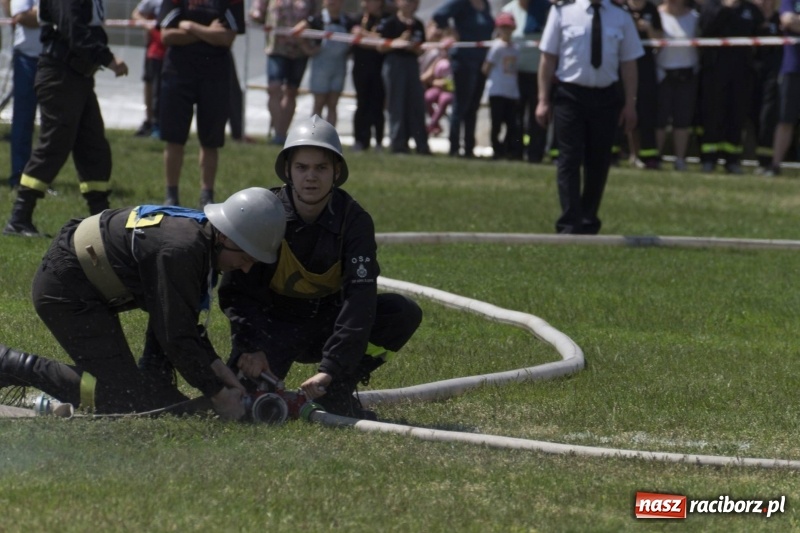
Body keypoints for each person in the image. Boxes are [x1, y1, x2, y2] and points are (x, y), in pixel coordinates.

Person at [0, 188, 287, 419]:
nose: (247, 268)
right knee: (123, 398)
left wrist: (226, 379)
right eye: (246, 257)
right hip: (66, 289)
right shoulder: (182, 251)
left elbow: (183, 324)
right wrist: (219, 395)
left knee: (151, 398)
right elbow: (174, 335)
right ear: (226, 235)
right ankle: (9, 363)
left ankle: (152, 387)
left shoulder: (203, 239)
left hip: (85, 282)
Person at [218, 116, 423, 420]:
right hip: (272, 329)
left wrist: (333, 369)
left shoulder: (354, 221)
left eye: (321, 168)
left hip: (330, 325)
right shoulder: (264, 212)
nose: (310, 177)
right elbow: (237, 292)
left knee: (402, 313)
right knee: (245, 408)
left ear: (336, 171)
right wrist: (250, 346)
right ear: (287, 169)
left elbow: (359, 301)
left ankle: (339, 389)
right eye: (302, 167)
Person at [2, 0, 129, 238]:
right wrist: (108, 59)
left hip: (78, 77)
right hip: (60, 75)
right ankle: (19, 218)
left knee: (94, 147)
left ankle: (101, 220)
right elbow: (74, 30)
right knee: (54, 145)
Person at [536, 0, 643, 234]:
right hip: (570, 95)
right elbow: (548, 58)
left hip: (606, 97)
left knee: (599, 160)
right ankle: (569, 222)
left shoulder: (621, 16)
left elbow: (629, 63)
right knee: (569, 158)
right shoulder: (562, 12)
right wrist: (543, 100)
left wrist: (630, 103)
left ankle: (588, 219)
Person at [157, 0, 245, 209]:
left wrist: (191, 27)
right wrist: (209, 32)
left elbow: (226, 38)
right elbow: (167, 35)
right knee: (174, 138)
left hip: (215, 76)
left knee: (211, 140)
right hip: (178, 73)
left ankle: (207, 196)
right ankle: (171, 195)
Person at [697, 0, 763, 174]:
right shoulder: (711, 7)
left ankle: (731, 159)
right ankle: (709, 159)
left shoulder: (751, 10)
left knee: (737, 116)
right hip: (715, 70)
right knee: (713, 115)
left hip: (742, 72)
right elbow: (706, 30)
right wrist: (726, 9)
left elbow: (759, 35)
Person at [432, 0, 495, 158]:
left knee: (473, 106)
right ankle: (454, 147)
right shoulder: (461, 3)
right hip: (463, 60)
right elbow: (439, 15)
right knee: (460, 105)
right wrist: (450, 32)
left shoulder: (485, 5)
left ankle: (469, 148)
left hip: (481, 61)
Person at [250, 0, 316, 145]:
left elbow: (316, 17)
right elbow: (257, 13)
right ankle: (278, 133)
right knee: (274, 88)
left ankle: (281, 134)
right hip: (276, 48)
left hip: (300, 49)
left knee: (291, 91)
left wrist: (308, 25)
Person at [376, 0, 431, 154]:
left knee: (416, 104)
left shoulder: (418, 24)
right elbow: (380, 46)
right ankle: (398, 144)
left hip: (412, 64)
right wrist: (397, 41)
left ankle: (422, 144)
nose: (411, 4)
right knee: (396, 104)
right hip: (395, 63)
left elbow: (422, 49)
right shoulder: (390, 22)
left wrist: (414, 47)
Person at [503, 0, 551, 163]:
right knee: (515, 115)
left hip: (539, 74)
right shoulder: (508, 10)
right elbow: (499, 38)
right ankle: (515, 151)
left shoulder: (545, 9)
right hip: (514, 74)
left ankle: (535, 154)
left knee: (537, 116)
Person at [655, 0, 699, 171]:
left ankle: (680, 159)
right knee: (660, 119)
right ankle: (656, 158)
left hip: (687, 75)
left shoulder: (694, 17)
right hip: (663, 74)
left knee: (682, 120)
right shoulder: (658, 15)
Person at [296, 0, 355, 127]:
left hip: (339, 66)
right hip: (321, 66)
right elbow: (298, 31)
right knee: (319, 102)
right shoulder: (317, 19)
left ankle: (330, 137)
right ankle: (314, 134)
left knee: (333, 104)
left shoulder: (346, 21)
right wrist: (307, 49)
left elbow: (356, 34)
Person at [5, 0, 41, 190]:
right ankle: (18, 177)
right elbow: (21, 16)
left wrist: (38, 13)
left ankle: (40, 180)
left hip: (56, 58)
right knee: (23, 120)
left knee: (55, 126)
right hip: (27, 59)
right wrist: (52, 14)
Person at [763, 0, 800, 176]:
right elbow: (787, 20)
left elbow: (794, 22)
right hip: (792, 68)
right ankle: (775, 165)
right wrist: (792, 22)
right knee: (786, 119)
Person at [624, 0, 662, 169]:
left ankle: (648, 156)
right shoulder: (621, 7)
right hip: (623, 65)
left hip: (646, 67)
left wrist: (647, 29)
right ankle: (626, 153)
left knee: (646, 111)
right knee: (623, 108)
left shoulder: (652, 9)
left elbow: (660, 40)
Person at [350, 0, 390, 151]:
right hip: (360, 67)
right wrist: (372, 39)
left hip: (379, 68)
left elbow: (384, 41)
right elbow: (355, 37)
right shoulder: (357, 19)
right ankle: (360, 140)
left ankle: (378, 141)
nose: (366, 3)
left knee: (378, 105)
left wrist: (365, 36)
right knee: (362, 103)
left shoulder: (386, 19)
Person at [482, 12, 522, 160]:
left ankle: (508, 149)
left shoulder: (515, 48)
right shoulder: (496, 47)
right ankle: (496, 149)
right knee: (496, 123)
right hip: (497, 90)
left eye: (509, 27)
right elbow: (486, 68)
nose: (506, 30)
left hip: (511, 91)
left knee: (512, 124)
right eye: (503, 27)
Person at [750, 0, 782, 174]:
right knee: (753, 115)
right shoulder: (750, 17)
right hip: (752, 73)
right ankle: (757, 158)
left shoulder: (779, 19)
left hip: (774, 74)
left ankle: (766, 161)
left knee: (767, 117)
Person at [131, 0, 165, 139]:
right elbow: (136, 14)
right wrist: (148, 25)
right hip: (155, 49)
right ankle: (150, 122)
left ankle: (162, 122)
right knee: (151, 83)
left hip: (173, 49)